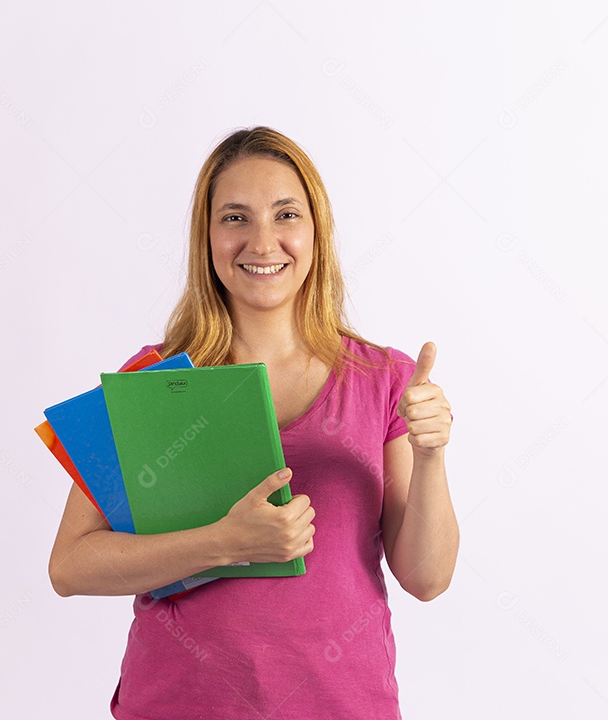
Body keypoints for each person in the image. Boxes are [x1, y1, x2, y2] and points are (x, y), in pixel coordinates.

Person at [48, 126, 459, 719]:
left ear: (316, 231)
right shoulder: (153, 381)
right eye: (235, 218)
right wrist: (225, 544)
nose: (262, 241)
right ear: (207, 238)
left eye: (285, 214)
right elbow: (70, 565)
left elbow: (426, 578)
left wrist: (431, 454)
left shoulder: (386, 379)